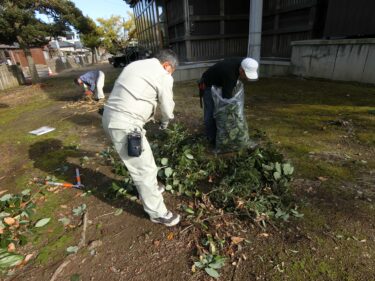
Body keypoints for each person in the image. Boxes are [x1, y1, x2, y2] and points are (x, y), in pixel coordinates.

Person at [102, 49, 180, 227]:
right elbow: (167, 107)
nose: (170, 74)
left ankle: (147, 190)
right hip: (126, 125)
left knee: (141, 162)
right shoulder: (163, 74)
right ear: (167, 65)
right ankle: (158, 213)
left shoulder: (135, 65)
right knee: (144, 169)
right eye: (171, 71)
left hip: (110, 118)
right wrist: (165, 123)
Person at [199, 57, 259, 144]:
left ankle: (218, 132)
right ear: (241, 70)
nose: (246, 78)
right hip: (208, 85)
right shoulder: (229, 75)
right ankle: (211, 138)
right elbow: (226, 100)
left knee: (221, 111)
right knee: (211, 112)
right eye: (246, 75)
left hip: (219, 81)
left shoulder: (243, 62)